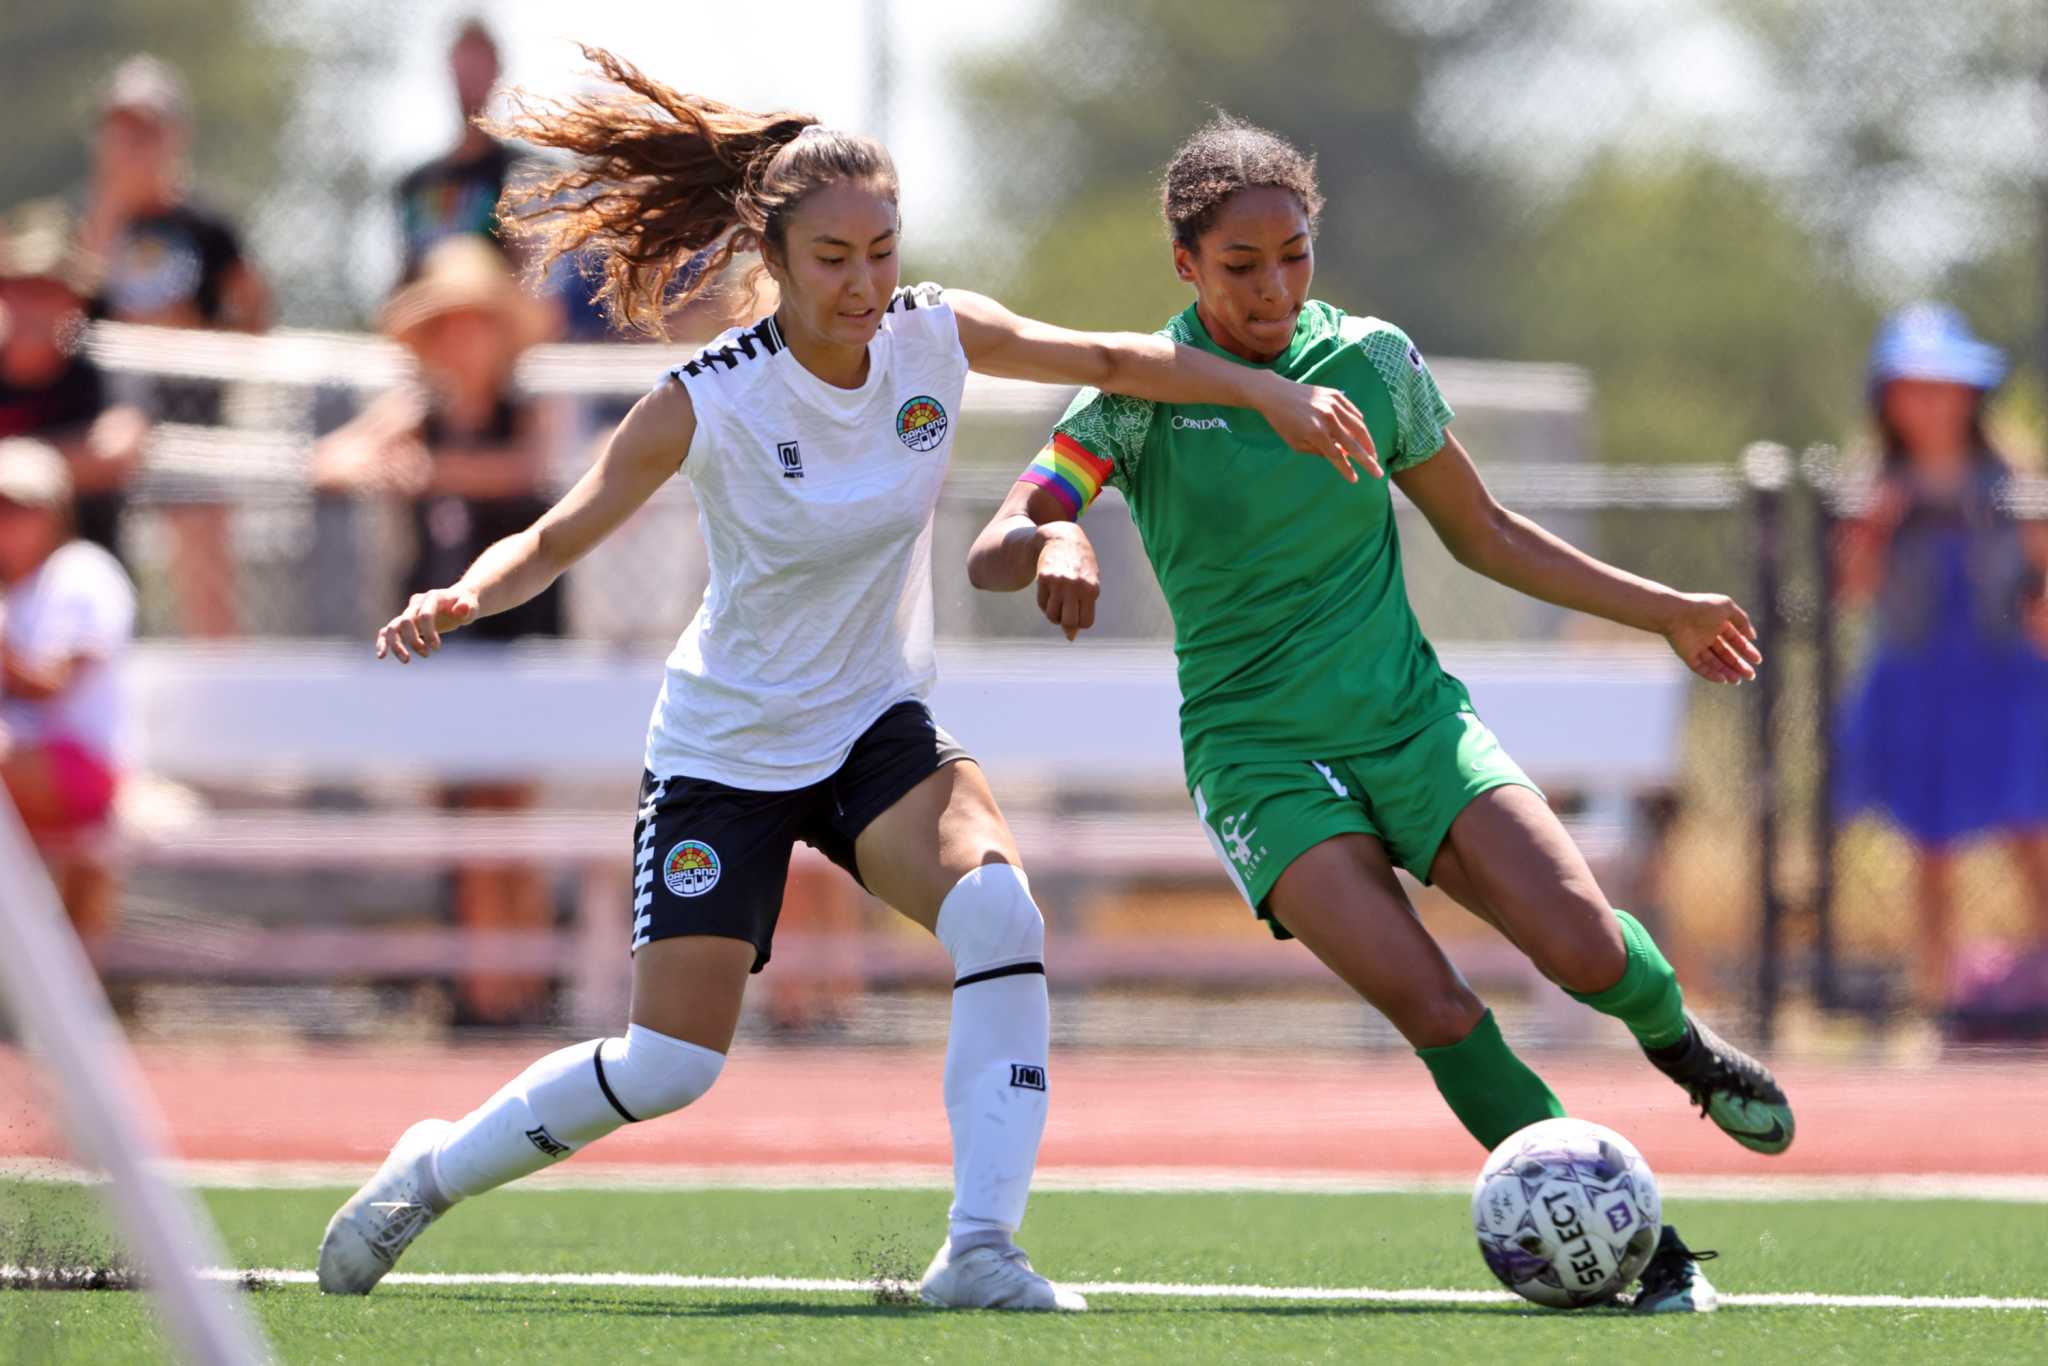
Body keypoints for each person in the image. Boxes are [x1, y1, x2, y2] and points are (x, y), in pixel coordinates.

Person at [315, 49, 1372, 1311]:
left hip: (876, 725)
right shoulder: (703, 400)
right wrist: (461, 594)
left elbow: (1113, 358)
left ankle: (981, 1247)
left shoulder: (934, 334)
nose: (866, 280)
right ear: (774, 257)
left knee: (999, 912)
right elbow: (554, 536)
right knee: (668, 1064)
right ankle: (428, 1172)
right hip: (729, 750)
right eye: (834, 258)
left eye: (882, 248)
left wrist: (1269, 392)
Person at [968, 114, 1794, 1314]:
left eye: (1292, 255)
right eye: (1239, 265)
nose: (1271, 286)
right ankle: (1635, 1247)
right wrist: (1052, 532)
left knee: (1578, 948)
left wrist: (1660, 606)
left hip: (1412, 723)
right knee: (1435, 1002)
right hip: (1257, 758)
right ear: (1184, 266)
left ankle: (1681, 1048)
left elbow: (1487, 533)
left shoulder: (1370, 362)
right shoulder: (1140, 393)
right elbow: (995, 545)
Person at [312, 235, 563, 1025]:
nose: (460, 341)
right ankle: (485, 991)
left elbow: (528, 471)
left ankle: (517, 987)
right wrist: (385, 455)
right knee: (462, 815)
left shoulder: (528, 406)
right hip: (441, 645)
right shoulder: (417, 413)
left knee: (506, 807)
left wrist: (425, 471)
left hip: (516, 642)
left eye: (473, 323)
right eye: (445, 325)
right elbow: (331, 463)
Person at [1834, 305, 2048, 1012]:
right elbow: (1850, 588)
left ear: (1969, 395)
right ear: (1887, 398)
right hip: (1918, 676)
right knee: (1931, 848)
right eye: (1911, 386)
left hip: (2003, 673)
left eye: (1942, 385)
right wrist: (1875, 526)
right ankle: (1939, 1001)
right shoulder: (1874, 482)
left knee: (2032, 831)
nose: (1927, 402)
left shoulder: (2008, 475)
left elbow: (2040, 576)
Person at [80, 55, 269, 638]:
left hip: (194, 419)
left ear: (173, 135)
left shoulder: (206, 225)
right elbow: (72, 307)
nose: (133, 143)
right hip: (107, 421)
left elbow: (255, 313)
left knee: (205, 566)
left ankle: (223, 692)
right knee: (97, 557)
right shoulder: (88, 224)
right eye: (122, 129)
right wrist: (109, 212)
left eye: (146, 129)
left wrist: (196, 337)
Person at [0, 438, 138, 950]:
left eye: (22, 508)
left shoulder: (82, 572)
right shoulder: (17, 589)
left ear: (54, 512)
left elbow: (51, 685)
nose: (8, 522)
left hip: (84, 774)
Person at [0, 200, 146, 560]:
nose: (32, 305)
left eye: (47, 290)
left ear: (76, 300)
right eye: (20, 287)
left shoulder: (98, 369)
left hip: (76, 568)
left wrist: (19, 465)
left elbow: (119, 450)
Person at [395, 19, 523, 279]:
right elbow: (408, 273)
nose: (470, 79)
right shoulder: (415, 184)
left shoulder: (525, 174)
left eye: (479, 66)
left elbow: (536, 273)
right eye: (464, 67)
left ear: (496, 72)